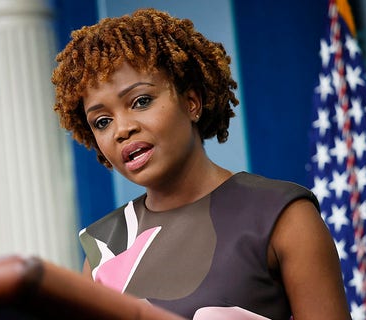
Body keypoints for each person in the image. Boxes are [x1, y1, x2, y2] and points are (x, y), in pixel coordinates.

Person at [51, 8, 350, 320]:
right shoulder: (104, 246)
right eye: (101, 121)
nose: (122, 129)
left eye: (141, 101)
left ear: (191, 102)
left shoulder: (281, 215)